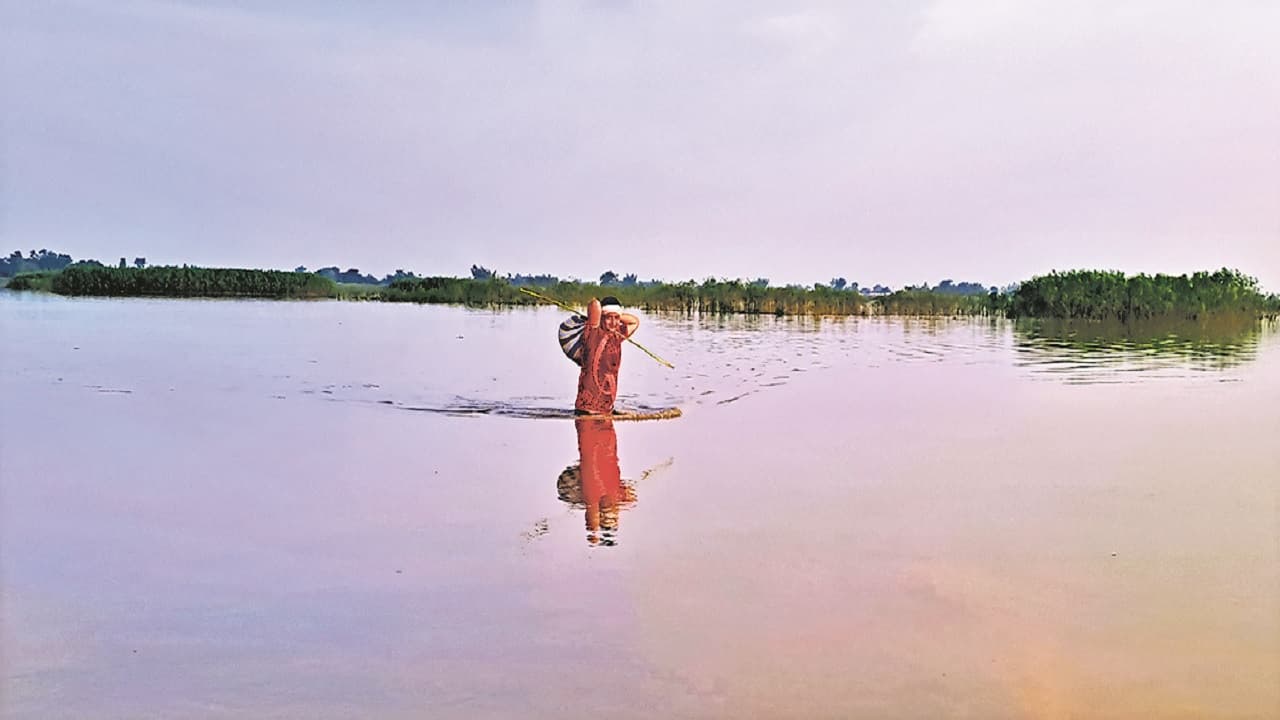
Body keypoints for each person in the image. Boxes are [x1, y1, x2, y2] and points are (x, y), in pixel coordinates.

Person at [574, 296, 639, 416]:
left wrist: (616, 314)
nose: (613, 323)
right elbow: (594, 305)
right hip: (587, 411)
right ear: (601, 317)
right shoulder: (592, 332)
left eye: (616, 318)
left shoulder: (617, 335)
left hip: (606, 410)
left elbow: (634, 322)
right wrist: (605, 313)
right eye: (609, 318)